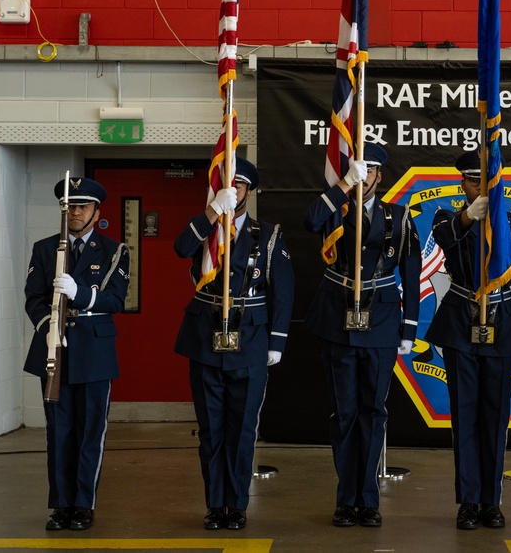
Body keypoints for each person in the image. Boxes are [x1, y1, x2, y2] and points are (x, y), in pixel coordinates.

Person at [173, 157, 295, 531]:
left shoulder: (267, 234)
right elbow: (179, 248)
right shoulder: (205, 229)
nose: (234, 190)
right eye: (228, 184)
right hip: (206, 340)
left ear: (248, 191)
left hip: (252, 340)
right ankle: (215, 505)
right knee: (211, 430)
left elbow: (284, 290)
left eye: (240, 185)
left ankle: (236, 505)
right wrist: (212, 212)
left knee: (242, 429)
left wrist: (277, 340)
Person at [303, 142, 420, 528]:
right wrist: (341, 187)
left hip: (383, 322)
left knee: (374, 412)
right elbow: (308, 220)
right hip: (338, 321)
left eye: (369, 170)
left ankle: (368, 499)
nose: (364, 176)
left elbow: (413, 276)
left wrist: (409, 328)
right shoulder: (334, 211)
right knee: (345, 413)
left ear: (380, 176)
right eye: (358, 169)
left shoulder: (399, 217)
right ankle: (345, 498)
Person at [425, 150, 511, 530]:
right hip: (460, 323)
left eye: (487, 180)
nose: (481, 186)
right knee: (466, 418)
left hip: (502, 326)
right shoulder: (449, 218)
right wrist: (470, 216)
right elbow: (444, 239)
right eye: (474, 180)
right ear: (463, 183)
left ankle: (492, 500)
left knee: (495, 418)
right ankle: (469, 501)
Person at [23, 176, 130, 532]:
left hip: (94, 352)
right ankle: (61, 505)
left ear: (97, 210)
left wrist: (80, 293)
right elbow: (33, 298)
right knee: (59, 432)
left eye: (83, 206)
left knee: (89, 433)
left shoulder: (115, 251)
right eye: (70, 206)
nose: (76, 212)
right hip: (55, 350)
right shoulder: (44, 248)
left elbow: (115, 300)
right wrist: (49, 328)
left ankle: (84, 504)